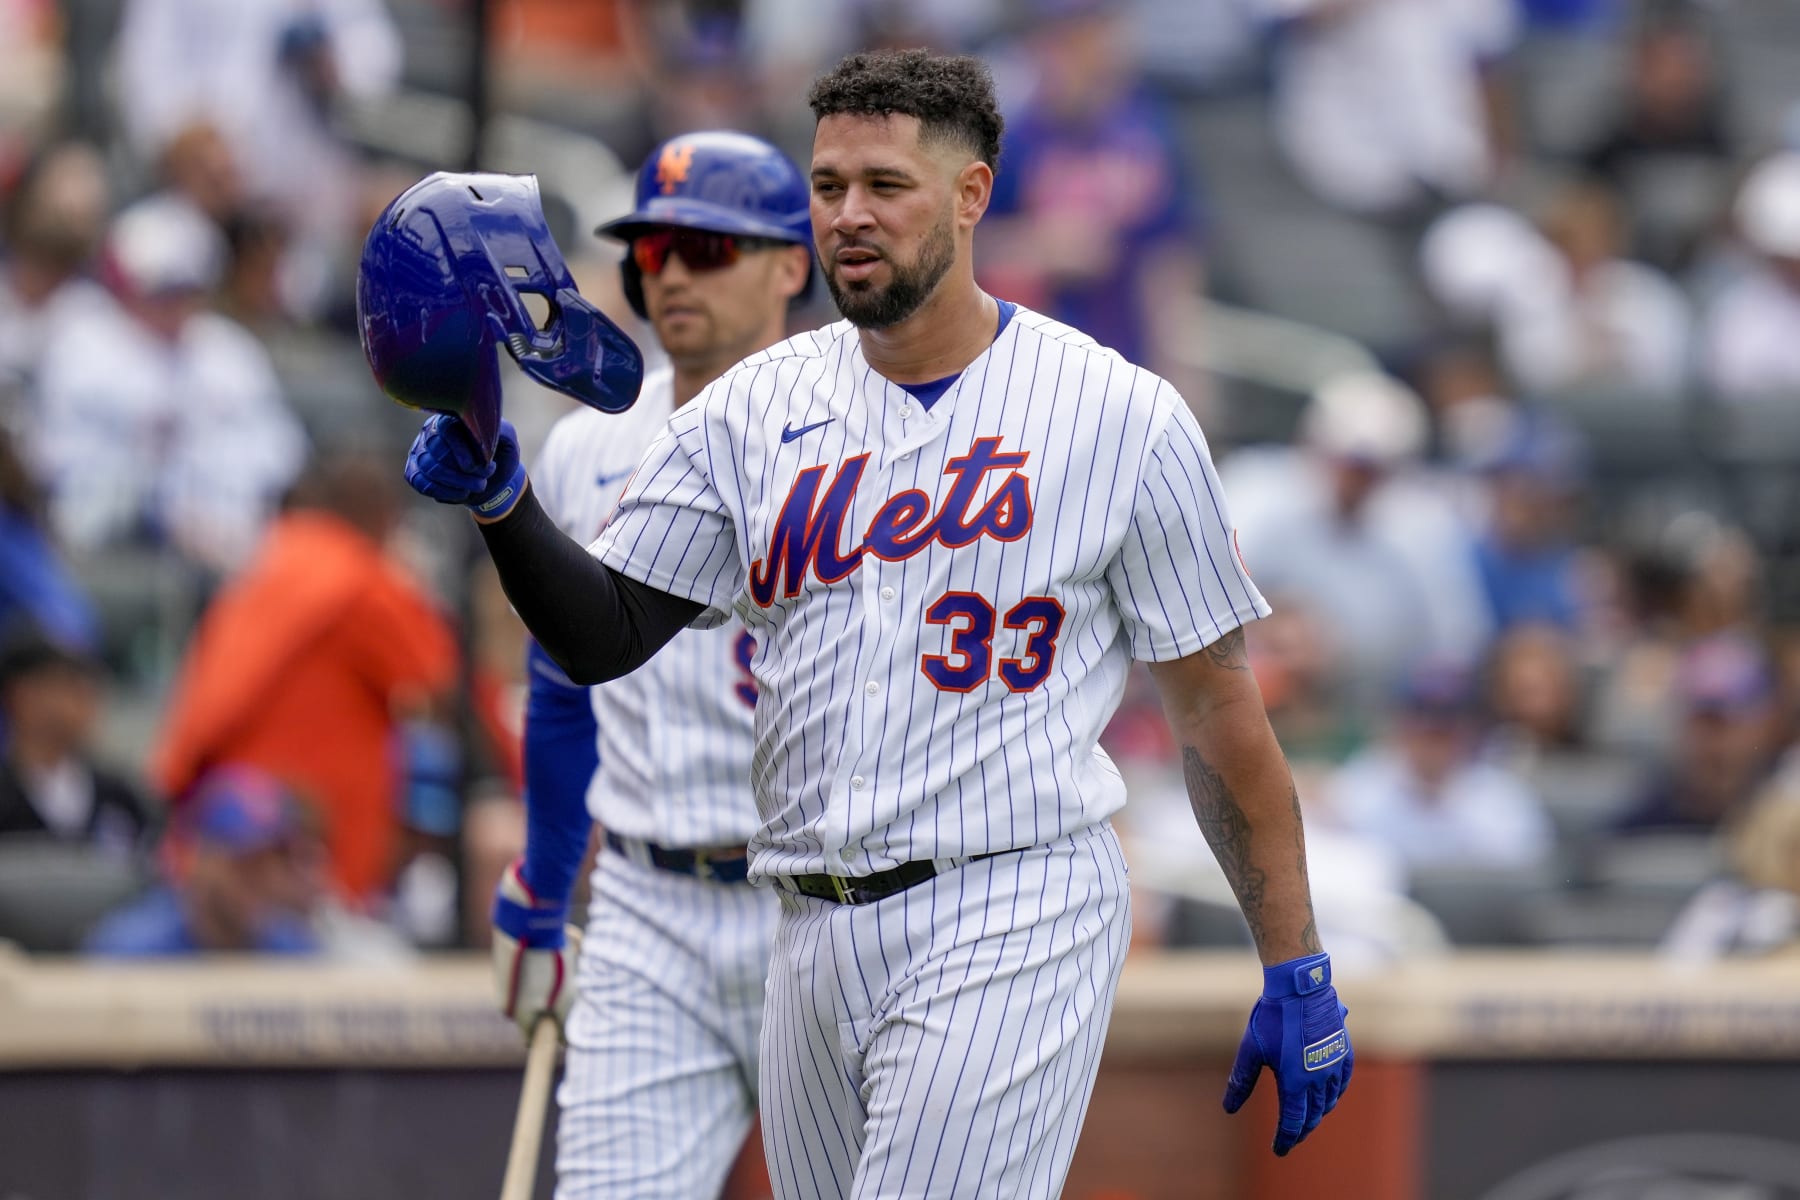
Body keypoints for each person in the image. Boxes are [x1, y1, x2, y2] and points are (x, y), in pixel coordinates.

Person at [382, 49, 1351, 1192]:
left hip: (1011, 894)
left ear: (971, 195)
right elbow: (602, 639)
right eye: (829, 185)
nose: (850, 214)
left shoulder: (1119, 415)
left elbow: (1215, 708)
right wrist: (502, 499)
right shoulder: (750, 408)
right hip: (808, 914)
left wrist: (1295, 960)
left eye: (885, 185)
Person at [490, 130, 812, 1199]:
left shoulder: (862, 442)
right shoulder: (589, 446)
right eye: (653, 250)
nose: (670, 271)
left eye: (707, 249)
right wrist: (542, 884)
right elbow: (559, 681)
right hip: (647, 902)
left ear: (791, 266)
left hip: (821, 902)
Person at [152, 452, 459, 907]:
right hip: (310, 823)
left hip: (226, 806)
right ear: (384, 517)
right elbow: (436, 675)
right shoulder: (357, 575)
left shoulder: (268, 558)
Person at [85, 766, 320, 956]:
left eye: (273, 862)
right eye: (245, 863)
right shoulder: (132, 949)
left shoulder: (293, 949)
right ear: (200, 859)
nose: (261, 880)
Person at [0, 625, 150, 857]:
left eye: (90, 681)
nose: (86, 695)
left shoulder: (119, 798)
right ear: (21, 696)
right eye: (68, 681)